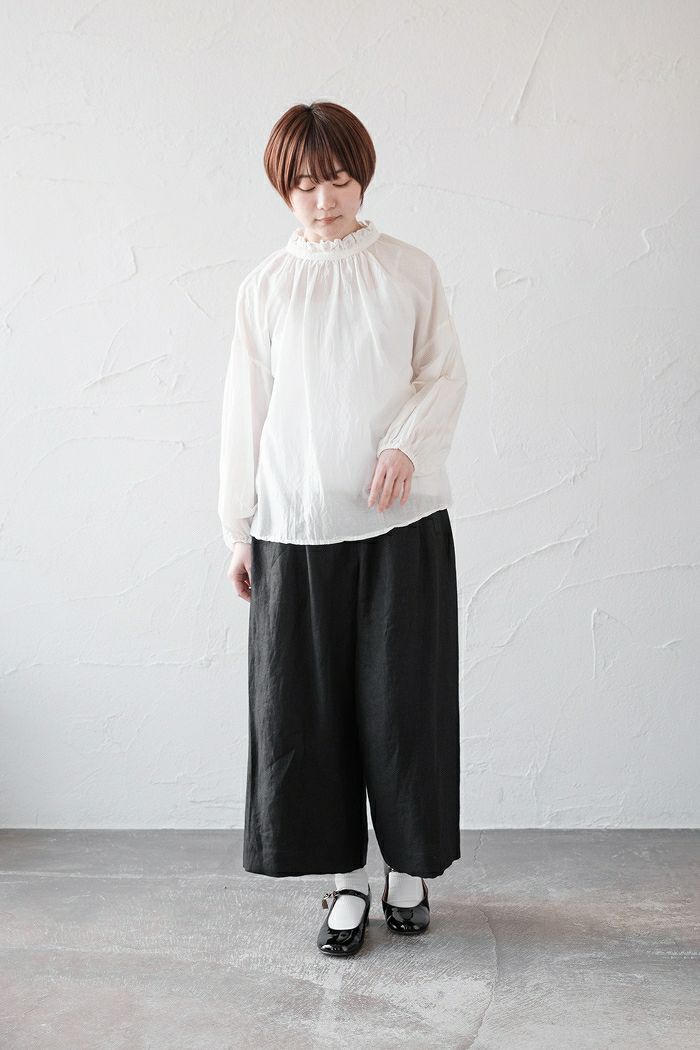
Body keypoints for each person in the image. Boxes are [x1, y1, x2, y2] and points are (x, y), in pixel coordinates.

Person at [218, 100, 467, 956]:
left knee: (406, 703)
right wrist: (238, 529)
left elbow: (442, 374)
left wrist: (405, 445)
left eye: (338, 179)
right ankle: (345, 881)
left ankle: (409, 869)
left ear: (363, 178)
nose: (322, 200)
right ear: (282, 190)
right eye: (303, 185)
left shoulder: (409, 270)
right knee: (307, 713)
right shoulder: (265, 287)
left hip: (402, 523)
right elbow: (245, 410)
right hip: (295, 526)